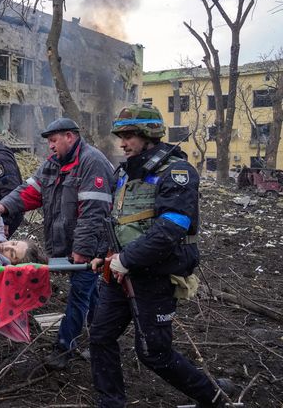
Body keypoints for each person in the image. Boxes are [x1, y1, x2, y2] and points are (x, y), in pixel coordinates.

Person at [88, 104, 236, 407]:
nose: (122, 143)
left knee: (154, 353)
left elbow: (172, 228)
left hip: (154, 276)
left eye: (129, 136)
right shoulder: (126, 174)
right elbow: (118, 220)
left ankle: (213, 397)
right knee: (100, 337)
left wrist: (127, 259)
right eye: (121, 136)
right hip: (119, 274)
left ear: (149, 135)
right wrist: (102, 253)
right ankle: (111, 402)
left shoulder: (177, 173)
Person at [0, 118, 113, 369]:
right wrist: (2, 206)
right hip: (67, 245)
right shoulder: (52, 165)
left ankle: (64, 347)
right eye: (48, 141)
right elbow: (29, 192)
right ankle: (102, 339)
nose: (50, 146)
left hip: (90, 247)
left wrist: (82, 250)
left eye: (53, 140)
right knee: (90, 293)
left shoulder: (93, 163)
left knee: (80, 293)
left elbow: (94, 213)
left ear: (70, 137)